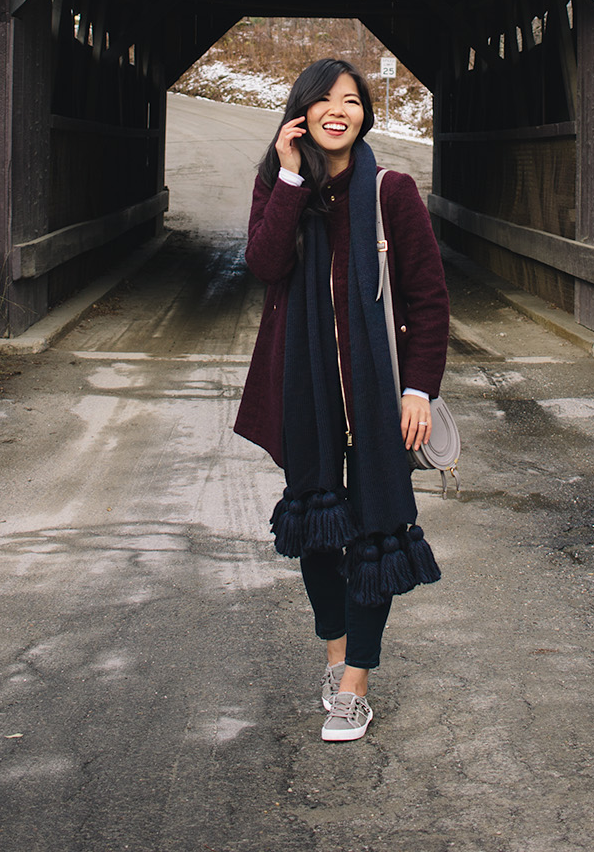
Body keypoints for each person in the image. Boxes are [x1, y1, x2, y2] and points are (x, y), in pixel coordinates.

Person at [234, 57, 450, 742]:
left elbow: (428, 298)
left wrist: (418, 387)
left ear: (365, 114)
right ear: (300, 112)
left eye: (352, 99)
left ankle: (356, 680)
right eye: (324, 99)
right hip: (309, 393)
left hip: (379, 396)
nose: (339, 109)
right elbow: (265, 265)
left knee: (376, 531)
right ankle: (334, 653)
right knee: (321, 533)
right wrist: (291, 176)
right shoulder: (282, 186)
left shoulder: (392, 192)